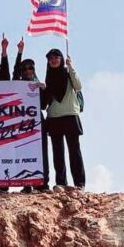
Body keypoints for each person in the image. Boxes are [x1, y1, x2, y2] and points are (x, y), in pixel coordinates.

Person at [43, 49, 85, 190]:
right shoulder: (48, 77)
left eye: (56, 57)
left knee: (74, 151)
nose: (53, 60)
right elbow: (45, 102)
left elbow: (78, 86)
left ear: (61, 59)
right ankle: (61, 183)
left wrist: (71, 67)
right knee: (58, 153)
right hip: (54, 117)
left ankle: (79, 184)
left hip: (70, 115)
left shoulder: (68, 74)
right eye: (50, 58)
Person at [14, 46, 50, 193]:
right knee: (24, 152)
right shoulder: (18, 85)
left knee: (41, 152)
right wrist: (19, 53)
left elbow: (44, 105)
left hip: (37, 122)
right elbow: (14, 72)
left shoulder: (38, 85)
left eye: (31, 68)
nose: (28, 71)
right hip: (22, 124)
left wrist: (44, 90)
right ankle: (27, 183)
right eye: (25, 69)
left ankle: (43, 183)